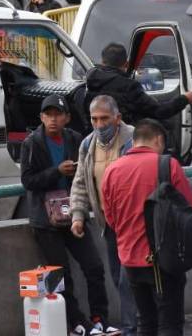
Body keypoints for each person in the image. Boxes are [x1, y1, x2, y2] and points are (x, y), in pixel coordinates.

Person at [20, 95, 115, 336]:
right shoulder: (32, 143)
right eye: (48, 114)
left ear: (67, 118)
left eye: (57, 114)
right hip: (46, 222)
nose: (53, 119)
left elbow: (86, 175)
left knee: (94, 266)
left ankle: (99, 318)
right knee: (62, 276)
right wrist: (56, 171)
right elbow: (28, 181)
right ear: (41, 117)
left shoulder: (75, 140)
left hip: (75, 215)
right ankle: (78, 322)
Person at [102, 119, 192, 336]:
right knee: (170, 323)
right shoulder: (167, 165)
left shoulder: (112, 171)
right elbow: (190, 206)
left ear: (134, 142)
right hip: (165, 259)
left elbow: (110, 218)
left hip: (130, 260)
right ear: (158, 140)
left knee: (145, 322)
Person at [70, 95, 138, 336]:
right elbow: (80, 181)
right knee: (118, 275)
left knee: (130, 279)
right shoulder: (88, 145)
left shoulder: (134, 139)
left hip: (135, 224)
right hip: (109, 225)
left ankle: (134, 327)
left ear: (117, 118)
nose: (99, 125)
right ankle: (135, 325)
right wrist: (77, 214)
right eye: (94, 119)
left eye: (104, 119)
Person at [86, 43, 192, 127]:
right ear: (126, 64)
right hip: (125, 140)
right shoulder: (129, 86)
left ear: (102, 62)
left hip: (96, 139)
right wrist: (184, 99)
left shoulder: (90, 80)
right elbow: (160, 111)